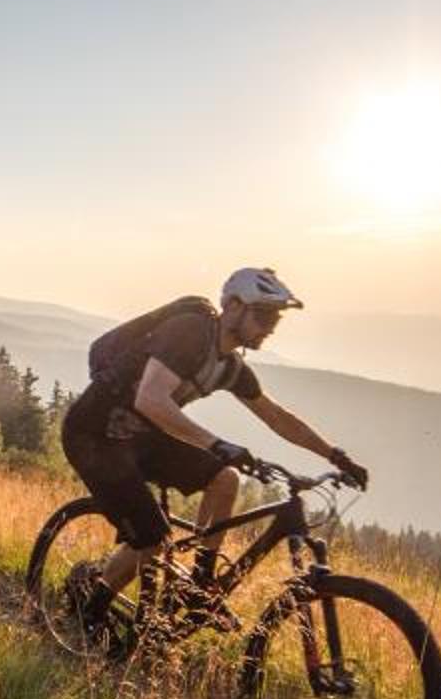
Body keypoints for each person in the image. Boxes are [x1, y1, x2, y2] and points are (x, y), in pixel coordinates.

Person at [59, 266, 367, 640]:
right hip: (94, 435)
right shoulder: (190, 333)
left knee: (225, 479)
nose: (270, 327)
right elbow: (150, 398)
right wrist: (216, 444)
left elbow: (278, 417)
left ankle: (200, 587)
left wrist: (336, 456)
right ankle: (88, 613)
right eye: (263, 315)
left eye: (275, 319)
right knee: (152, 539)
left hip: (143, 437)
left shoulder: (230, 367)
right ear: (233, 307)